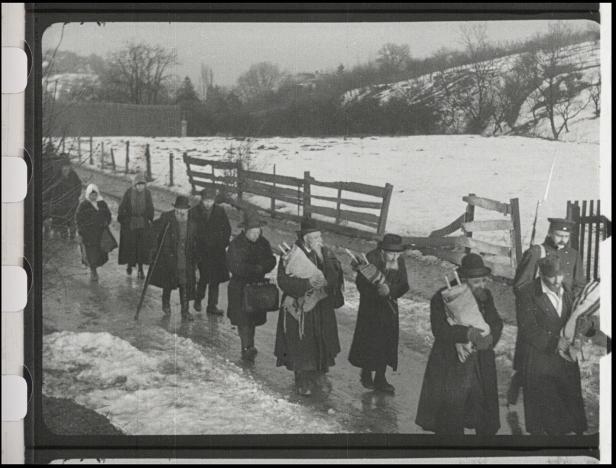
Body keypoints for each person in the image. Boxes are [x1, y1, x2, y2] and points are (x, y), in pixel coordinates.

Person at [415, 253, 503, 435]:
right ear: (463, 279)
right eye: (477, 281)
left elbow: (496, 322)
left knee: (482, 413)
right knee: (451, 417)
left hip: (480, 362)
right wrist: (466, 334)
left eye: (484, 281)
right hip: (452, 364)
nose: (482, 285)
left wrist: (490, 339)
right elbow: (439, 330)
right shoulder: (443, 297)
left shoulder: (486, 297)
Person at [509, 217, 587, 405]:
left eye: (566, 236)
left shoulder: (574, 255)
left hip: (564, 314)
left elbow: (579, 284)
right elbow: (520, 286)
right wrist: (539, 301)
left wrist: (568, 299)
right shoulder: (537, 252)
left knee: (562, 366)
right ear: (550, 233)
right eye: (559, 235)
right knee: (535, 364)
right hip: (540, 315)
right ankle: (521, 388)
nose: (562, 239)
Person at [516, 256, 595, 435]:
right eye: (552, 277)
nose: (557, 280)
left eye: (560, 275)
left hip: (565, 361)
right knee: (547, 417)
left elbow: (578, 317)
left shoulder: (567, 290)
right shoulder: (527, 293)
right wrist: (555, 342)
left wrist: (587, 328)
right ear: (541, 274)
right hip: (540, 361)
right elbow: (527, 328)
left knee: (568, 411)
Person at [274, 218, 345, 396]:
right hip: (300, 307)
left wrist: (327, 268)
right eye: (315, 237)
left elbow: (334, 277)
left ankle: (320, 374)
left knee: (321, 340)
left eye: (320, 236)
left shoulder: (325, 253)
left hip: (321, 307)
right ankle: (302, 378)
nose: (319, 240)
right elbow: (283, 281)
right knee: (301, 343)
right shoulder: (291, 254)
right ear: (306, 238)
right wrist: (307, 283)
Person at [348, 234, 410, 394]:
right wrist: (378, 293)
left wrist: (391, 291)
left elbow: (404, 284)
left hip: (390, 309)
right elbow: (361, 285)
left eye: (398, 253)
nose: (395, 256)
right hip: (371, 309)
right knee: (370, 341)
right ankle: (367, 373)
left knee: (386, 342)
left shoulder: (399, 261)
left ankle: (381, 378)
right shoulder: (370, 259)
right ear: (383, 250)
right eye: (392, 253)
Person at [226, 209, 277, 361]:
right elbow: (233, 265)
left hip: (257, 287)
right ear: (245, 230)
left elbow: (272, 260)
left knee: (253, 318)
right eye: (253, 232)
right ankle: (246, 347)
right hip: (240, 287)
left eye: (258, 231)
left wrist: (263, 268)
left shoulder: (263, 242)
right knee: (243, 320)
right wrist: (254, 269)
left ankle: (250, 344)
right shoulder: (236, 244)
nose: (256, 235)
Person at [147, 195, 199, 322]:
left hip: (185, 259)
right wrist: (155, 246)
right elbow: (154, 229)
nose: (181, 212)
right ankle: (166, 304)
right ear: (174, 209)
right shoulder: (168, 219)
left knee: (184, 284)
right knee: (168, 283)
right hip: (169, 257)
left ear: (188, 210)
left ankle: (185, 311)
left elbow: (195, 242)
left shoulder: (192, 224)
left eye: (184, 210)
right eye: (178, 209)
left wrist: (196, 260)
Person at [193, 188, 231, 315]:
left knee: (215, 280)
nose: (208, 203)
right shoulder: (195, 212)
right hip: (201, 251)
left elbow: (227, 229)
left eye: (211, 201)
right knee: (203, 279)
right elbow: (191, 232)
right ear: (202, 200)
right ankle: (198, 299)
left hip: (216, 252)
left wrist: (223, 244)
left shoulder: (220, 211)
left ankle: (212, 306)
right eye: (206, 201)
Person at [117, 172, 154, 279]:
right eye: (138, 184)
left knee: (141, 247)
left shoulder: (147, 193)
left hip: (142, 223)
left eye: (142, 185)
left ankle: (140, 269)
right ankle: (129, 265)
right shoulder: (129, 193)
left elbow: (150, 207)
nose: (140, 187)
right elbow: (122, 206)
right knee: (130, 245)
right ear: (135, 184)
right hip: (131, 223)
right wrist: (123, 218)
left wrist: (149, 218)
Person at [75, 184, 112, 282]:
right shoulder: (83, 205)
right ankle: (93, 270)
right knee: (91, 254)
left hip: (99, 234)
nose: (93, 197)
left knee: (99, 252)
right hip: (88, 235)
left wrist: (106, 223)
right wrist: (81, 231)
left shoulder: (102, 204)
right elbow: (78, 219)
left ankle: (95, 268)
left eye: (95, 194)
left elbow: (108, 215)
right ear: (88, 194)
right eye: (91, 194)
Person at [48, 155, 82, 240]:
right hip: (61, 204)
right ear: (61, 167)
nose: (65, 169)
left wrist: (75, 197)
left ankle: (72, 236)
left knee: (71, 219)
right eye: (64, 167)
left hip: (72, 203)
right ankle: (64, 236)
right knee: (62, 219)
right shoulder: (57, 177)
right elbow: (54, 190)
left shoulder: (74, 176)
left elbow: (79, 187)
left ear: (70, 167)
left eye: (67, 167)